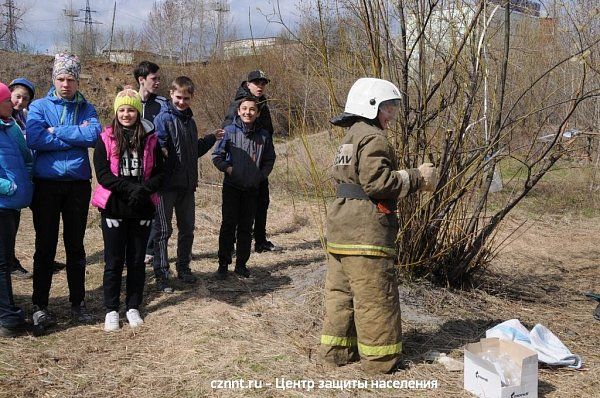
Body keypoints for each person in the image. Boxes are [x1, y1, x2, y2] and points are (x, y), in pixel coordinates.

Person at [319, 78, 438, 374]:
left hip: (340, 229)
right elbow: (376, 183)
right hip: (365, 233)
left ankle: (337, 352)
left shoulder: (350, 137)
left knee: (340, 295)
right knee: (375, 297)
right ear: (372, 107)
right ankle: (379, 361)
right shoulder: (374, 138)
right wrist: (416, 177)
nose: (392, 114)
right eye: (389, 107)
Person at [26, 53, 101, 333]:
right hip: (46, 185)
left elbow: (93, 136)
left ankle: (77, 302)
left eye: (70, 79)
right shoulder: (39, 106)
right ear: (53, 79)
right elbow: (35, 138)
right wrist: (73, 135)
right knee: (45, 246)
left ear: (78, 81)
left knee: (75, 246)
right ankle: (40, 305)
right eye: (61, 78)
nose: (65, 84)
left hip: (77, 186)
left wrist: (55, 130)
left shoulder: (87, 108)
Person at [92, 89, 164, 331]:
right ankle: (111, 309)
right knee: (113, 262)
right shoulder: (105, 139)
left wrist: (143, 190)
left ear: (138, 112)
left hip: (142, 208)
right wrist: (129, 188)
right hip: (114, 207)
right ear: (116, 112)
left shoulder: (151, 139)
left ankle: (133, 306)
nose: (126, 114)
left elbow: (160, 173)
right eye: (122, 110)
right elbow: (103, 175)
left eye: (131, 109)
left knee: (136, 261)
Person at [152, 76, 223, 292]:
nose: (182, 102)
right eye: (178, 97)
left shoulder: (190, 122)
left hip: (187, 187)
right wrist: (162, 153)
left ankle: (183, 268)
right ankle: (162, 274)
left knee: (187, 230)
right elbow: (158, 148)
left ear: (192, 98)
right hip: (166, 187)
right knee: (163, 231)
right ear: (171, 94)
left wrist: (211, 139)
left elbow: (193, 152)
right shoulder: (162, 119)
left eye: (186, 98)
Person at [212, 96, 276, 279]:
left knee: (246, 227)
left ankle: (241, 264)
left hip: (252, 188)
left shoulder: (263, 135)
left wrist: (260, 175)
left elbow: (270, 159)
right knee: (228, 225)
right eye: (244, 109)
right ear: (238, 111)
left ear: (257, 113)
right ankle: (223, 263)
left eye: (252, 110)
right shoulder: (229, 131)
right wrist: (229, 169)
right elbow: (217, 156)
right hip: (232, 187)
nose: (248, 112)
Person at [222, 70, 276, 253]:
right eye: (256, 82)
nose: (260, 86)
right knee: (237, 211)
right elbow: (226, 131)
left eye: (263, 83)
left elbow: (268, 131)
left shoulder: (262, 102)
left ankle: (260, 240)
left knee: (262, 202)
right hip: (241, 165)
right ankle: (233, 245)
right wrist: (231, 167)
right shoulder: (239, 103)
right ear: (248, 83)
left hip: (260, 161)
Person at [0, 82, 33, 337]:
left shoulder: (10, 127)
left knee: (5, 259)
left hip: (11, 205)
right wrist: (8, 187)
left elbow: (26, 157)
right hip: (2, 202)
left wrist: (27, 180)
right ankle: (8, 319)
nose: (13, 104)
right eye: (8, 100)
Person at [133, 61, 166, 266]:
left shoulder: (162, 103)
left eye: (158, 78)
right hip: (133, 166)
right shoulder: (128, 101)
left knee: (155, 208)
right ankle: (133, 248)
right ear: (141, 80)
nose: (157, 82)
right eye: (154, 78)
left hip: (154, 166)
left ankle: (150, 250)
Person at [7, 78, 35, 279]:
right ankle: (9, 262)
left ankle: (10, 259)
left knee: (13, 222)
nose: (20, 102)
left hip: (21, 175)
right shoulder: (7, 119)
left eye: (25, 99)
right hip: (8, 178)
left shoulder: (24, 117)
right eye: (17, 96)